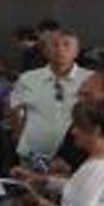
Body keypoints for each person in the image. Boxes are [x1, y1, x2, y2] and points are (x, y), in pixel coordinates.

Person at [7, 28, 87, 165]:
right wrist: (20, 137)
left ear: (77, 51)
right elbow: (14, 109)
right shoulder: (28, 79)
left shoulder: (90, 79)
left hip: (76, 155)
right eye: (54, 45)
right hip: (33, 154)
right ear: (45, 50)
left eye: (66, 44)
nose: (60, 49)